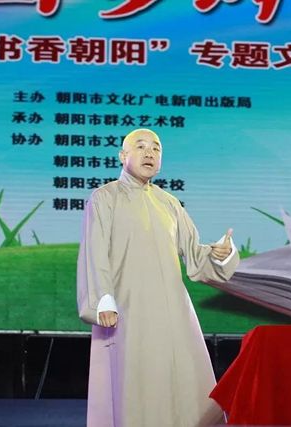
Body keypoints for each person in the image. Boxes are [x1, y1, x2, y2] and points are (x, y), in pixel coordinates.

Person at [77, 128, 239, 427]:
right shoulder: (104, 197)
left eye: (156, 148)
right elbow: (94, 253)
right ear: (123, 156)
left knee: (185, 378)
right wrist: (102, 301)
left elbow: (195, 256)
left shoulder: (169, 203)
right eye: (140, 147)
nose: (149, 153)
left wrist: (220, 254)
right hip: (128, 308)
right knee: (136, 382)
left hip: (173, 310)